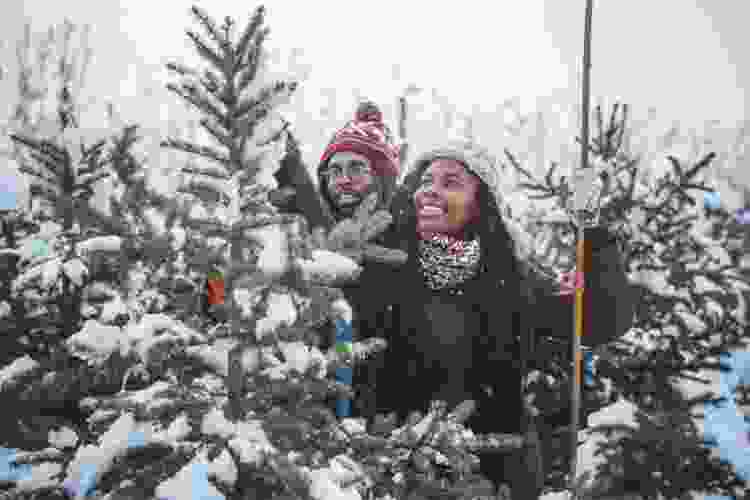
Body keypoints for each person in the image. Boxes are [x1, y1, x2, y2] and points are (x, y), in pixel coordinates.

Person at [348, 140, 637, 499]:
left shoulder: (513, 278)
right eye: (425, 181)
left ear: (479, 203)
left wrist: (592, 233)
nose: (430, 192)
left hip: (494, 476)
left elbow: (601, 320)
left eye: (451, 182)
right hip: (390, 473)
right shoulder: (381, 265)